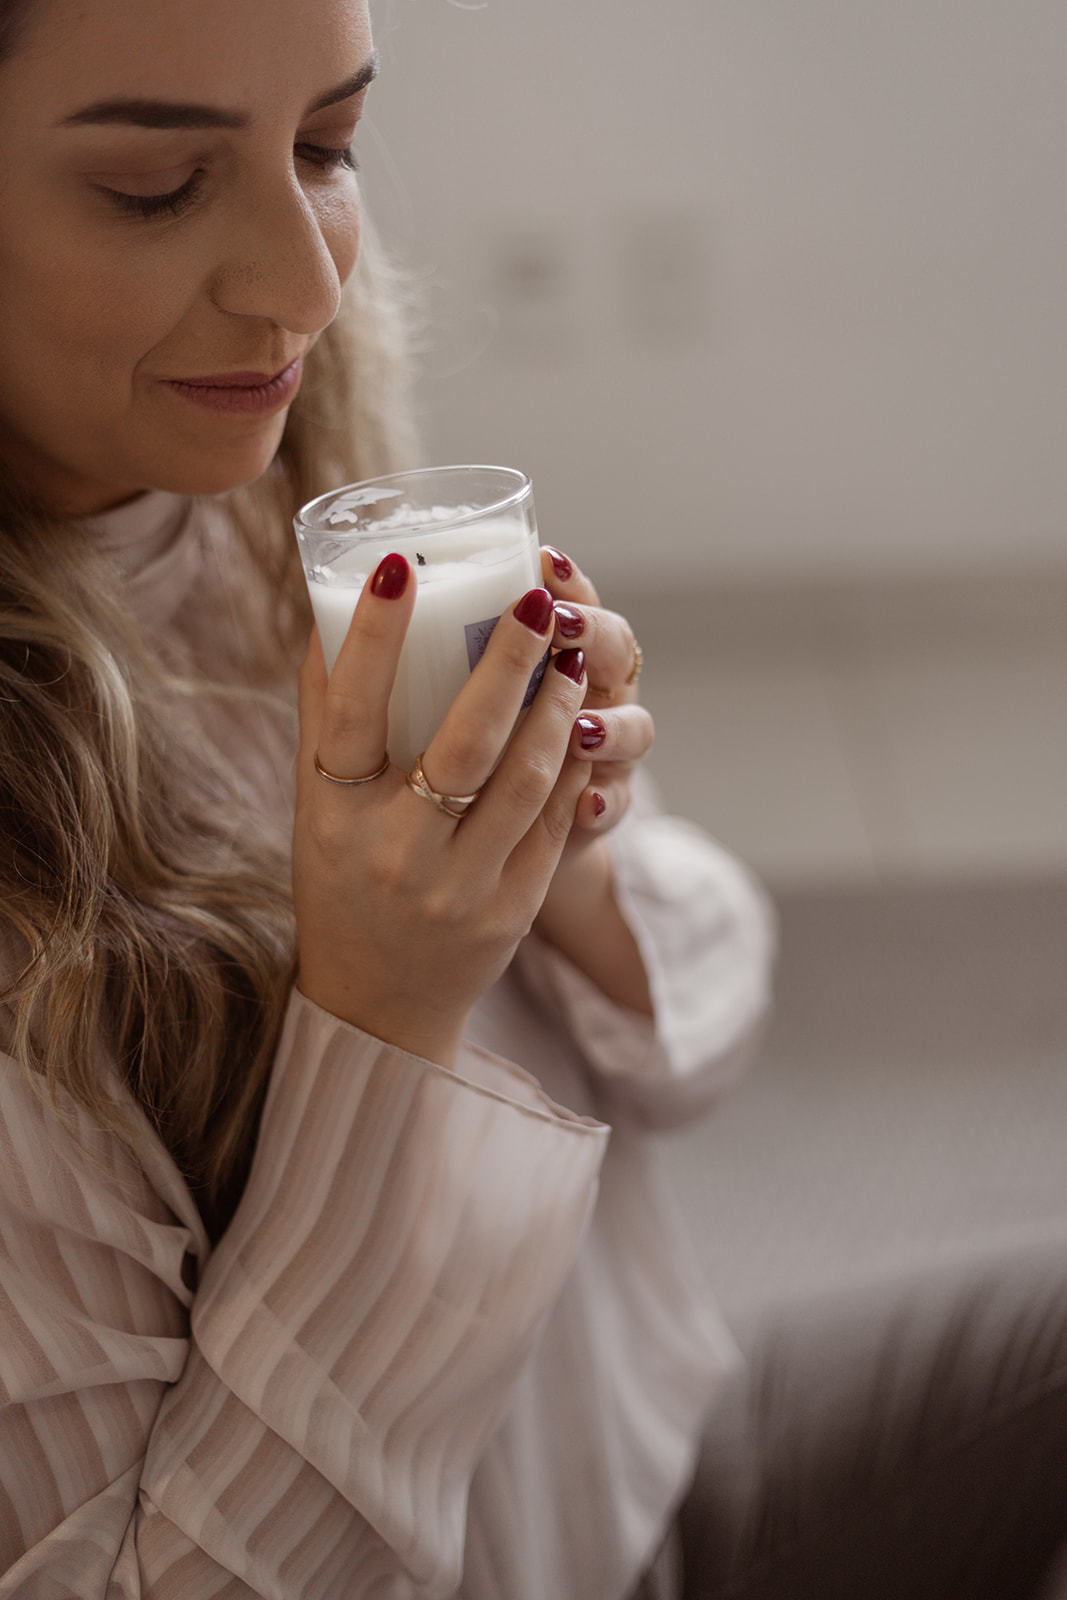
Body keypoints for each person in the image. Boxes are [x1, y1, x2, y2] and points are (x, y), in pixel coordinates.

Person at [0, 1, 775, 1595]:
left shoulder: (283, 485)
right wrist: (380, 1022)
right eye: (157, 187)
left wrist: (556, 857)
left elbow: (714, 1014)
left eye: (328, 146)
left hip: (657, 1490)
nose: (308, 284)